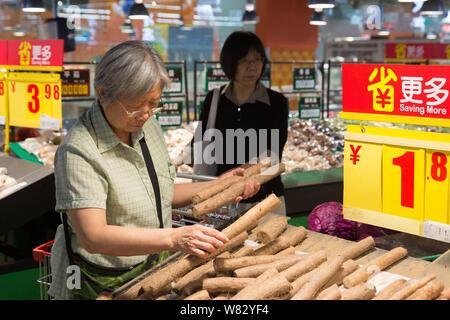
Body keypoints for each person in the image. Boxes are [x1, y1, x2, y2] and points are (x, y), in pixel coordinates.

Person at [48, 41, 260, 300]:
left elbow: (160, 193)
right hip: (100, 281)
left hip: (152, 270)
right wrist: (174, 237)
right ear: (102, 93)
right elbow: (93, 235)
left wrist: (219, 184)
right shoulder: (78, 151)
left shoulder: (147, 126)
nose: (146, 114)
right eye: (136, 106)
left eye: (153, 103)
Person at [194, 31, 289, 215]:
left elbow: (274, 154)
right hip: (223, 201)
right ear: (230, 62)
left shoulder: (276, 102)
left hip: (266, 201)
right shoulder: (214, 100)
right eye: (245, 60)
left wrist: (247, 179)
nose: (252, 67)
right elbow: (201, 146)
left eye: (257, 60)